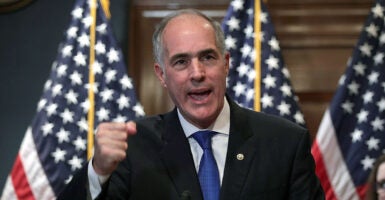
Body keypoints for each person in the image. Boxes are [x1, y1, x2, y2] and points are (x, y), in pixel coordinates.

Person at [58, 9, 324, 200]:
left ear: (226, 64)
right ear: (162, 75)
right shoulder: (134, 148)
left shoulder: (285, 142)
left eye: (207, 57)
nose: (197, 73)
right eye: (181, 62)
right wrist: (98, 171)